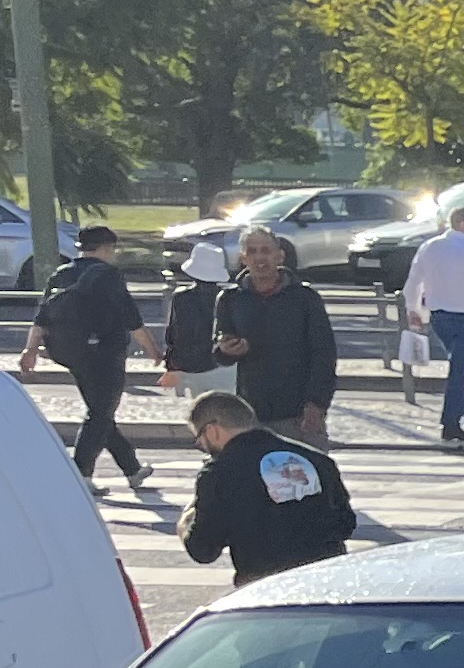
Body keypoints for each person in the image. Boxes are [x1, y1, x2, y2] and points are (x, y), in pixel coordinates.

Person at [175, 390, 354, 587]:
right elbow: (346, 523)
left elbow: (203, 550)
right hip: (326, 581)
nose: (202, 445)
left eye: (199, 439)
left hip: (266, 588)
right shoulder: (317, 459)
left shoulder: (219, 473)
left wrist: (185, 523)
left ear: (212, 431)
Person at [20, 223, 147, 484]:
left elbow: (41, 317)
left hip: (73, 354)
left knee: (100, 412)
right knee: (100, 414)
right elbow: (132, 318)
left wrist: (30, 349)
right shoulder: (109, 276)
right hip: (107, 353)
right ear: (106, 247)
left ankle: (132, 469)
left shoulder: (61, 274)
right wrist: (154, 350)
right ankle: (80, 474)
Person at [210, 227, 339, 440]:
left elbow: (324, 354)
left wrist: (317, 403)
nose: (259, 258)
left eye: (266, 250)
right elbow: (219, 351)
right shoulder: (230, 299)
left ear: (279, 256)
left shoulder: (305, 298)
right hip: (251, 412)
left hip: (298, 413)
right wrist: (227, 350)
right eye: (252, 251)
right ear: (243, 258)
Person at [403, 205, 464, 446]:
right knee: (460, 372)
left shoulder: (429, 246)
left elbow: (414, 282)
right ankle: (450, 424)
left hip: (439, 318)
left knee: (459, 368)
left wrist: (414, 309)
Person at [159, 240, 232, 409]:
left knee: (201, 412)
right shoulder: (229, 297)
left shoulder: (181, 298)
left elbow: (175, 335)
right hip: (223, 365)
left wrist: (171, 365)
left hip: (193, 367)